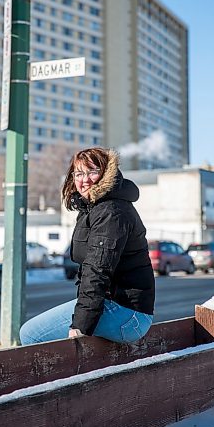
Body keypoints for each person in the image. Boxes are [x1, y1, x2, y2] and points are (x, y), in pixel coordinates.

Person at [20, 147, 155, 345]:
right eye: (79, 173)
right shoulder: (94, 209)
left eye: (92, 172)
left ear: (106, 174)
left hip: (127, 314)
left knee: (31, 334)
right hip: (123, 310)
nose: (85, 179)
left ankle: (64, 378)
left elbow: (97, 271)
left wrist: (81, 325)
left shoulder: (111, 212)